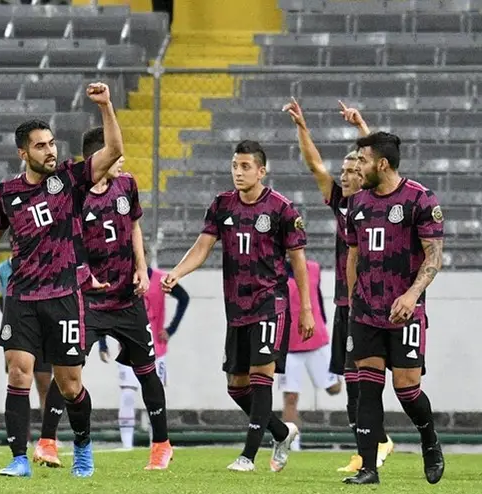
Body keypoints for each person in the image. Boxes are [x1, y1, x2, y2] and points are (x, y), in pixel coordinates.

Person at [0, 83, 120, 478]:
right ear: (23, 152)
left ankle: (82, 447)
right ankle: (18, 458)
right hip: (22, 296)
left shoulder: (69, 179)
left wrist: (106, 107)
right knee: (18, 371)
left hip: (64, 296)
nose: (50, 150)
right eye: (40, 146)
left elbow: (114, 151)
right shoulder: (7, 193)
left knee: (69, 387)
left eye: (51, 143)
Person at [161, 140, 313, 473]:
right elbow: (202, 247)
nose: (238, 172)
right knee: (236, 387)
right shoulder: (222, 205)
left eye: (246, 167)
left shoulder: (282, 209)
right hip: (237, 307)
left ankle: (247, 456)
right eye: (235, 165)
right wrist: (177, 272)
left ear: (262, 170)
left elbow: (298, 262)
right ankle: (281, 432)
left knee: (261, 379)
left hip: (271, 302)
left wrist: (306, 309)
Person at [282, 97, 395, 473]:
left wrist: (363, 129)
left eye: (352, 168)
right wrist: (302, 126)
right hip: (345, 302)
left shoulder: (371, 200)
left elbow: (380, 160)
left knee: (368, 379)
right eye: (343, 170)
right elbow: (314, 163)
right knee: (351, 379)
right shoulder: (341, 204)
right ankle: (371, 446)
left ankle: (374, 445)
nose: (345, 174)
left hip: (374, 300)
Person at [342, 132, 445, 486]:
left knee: (407, 389)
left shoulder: (420, 199)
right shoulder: (356, 203)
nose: (358, 166)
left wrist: (412, 295)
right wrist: (353, 298)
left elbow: (434, 256)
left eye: (363, 160)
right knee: (368, 388)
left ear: (382, 164)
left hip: (405, 312)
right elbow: (353, 254)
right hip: (366, 312)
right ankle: (368, 468)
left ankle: (429, 440)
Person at [77, 127, 174, 470]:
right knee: (69, 367)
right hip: (89, 300)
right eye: (115, 156)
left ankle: (161, 444)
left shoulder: (127, 185)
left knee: (147, 372)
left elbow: (134, 225)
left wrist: (142, 268)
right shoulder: (75, 195)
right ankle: (53, 442)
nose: (122, 161)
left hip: (127, 298)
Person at [98, 259, 189, 451]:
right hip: (128, 347)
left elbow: (184, 298)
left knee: (155, 393)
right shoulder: (122, 280)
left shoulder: (160, 279)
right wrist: (103, 341)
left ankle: (156, 443)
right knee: (128, 394)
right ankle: (127, 445)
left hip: (157, 348)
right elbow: (103, 308)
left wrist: (170, 329)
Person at [278, 257, 342, 450]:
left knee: (334, 389)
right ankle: (292, 444)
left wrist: (323, 325)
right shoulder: (275, 274)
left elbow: (318, 299)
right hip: (289, 347)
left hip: (317, 341)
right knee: (290, 397)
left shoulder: (314, 268)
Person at [0, 249, 53, 448]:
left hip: (43, 331)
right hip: (17, 327)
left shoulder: (43, 262)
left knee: (44, 385)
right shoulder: (2, 269)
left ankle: (48, 436)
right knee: (19, 383)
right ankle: (22, 436)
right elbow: (0, 299)